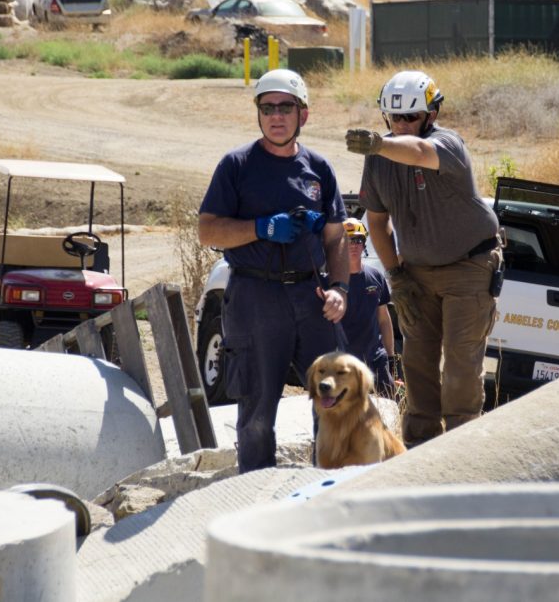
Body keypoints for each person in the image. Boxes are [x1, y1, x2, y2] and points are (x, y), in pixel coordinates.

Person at [199, 68, 349, 473]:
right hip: (254, 298)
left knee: (333, 402)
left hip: (310, 296)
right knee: (258, 410)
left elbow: (337, 238)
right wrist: (261, 228)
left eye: (286, 107)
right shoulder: (237, 165)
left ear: (304, 114)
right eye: (267, 107)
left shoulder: (320, 169)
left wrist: (339, 288)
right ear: (259, 113)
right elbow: (207, 229)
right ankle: (255, 496)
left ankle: (329, 490)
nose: (276, 115)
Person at [345, 70, 502, 447]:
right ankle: (419, 449)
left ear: (431, 114)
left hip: (469, 266)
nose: (401, 125)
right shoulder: (379, 158)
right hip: (417, 273)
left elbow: (418, 152)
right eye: (394, 118)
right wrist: (397, 276)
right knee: (417, 363)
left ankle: (461, 452)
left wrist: (380, 144)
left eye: (410, 117)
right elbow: (378, 223)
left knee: (461, 368)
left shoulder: (447, 144)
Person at [340, 217, 397, 398]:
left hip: (375, 359)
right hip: (342, 361)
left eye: (358, 240)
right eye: (348, 240)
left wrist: (390, 358)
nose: (353, 245)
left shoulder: (376, 277)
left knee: (390, 404)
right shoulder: (329, 281)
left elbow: (384, 320)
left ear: (364, 243)